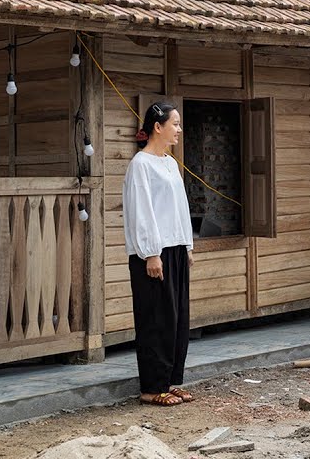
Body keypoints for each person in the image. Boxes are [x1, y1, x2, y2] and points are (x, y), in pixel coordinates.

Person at [123, 101, 196, 406]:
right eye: (174, 124)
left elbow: (179, 207)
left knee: (177, 318)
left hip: (175, 248)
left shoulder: (169, 163)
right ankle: (152, 388)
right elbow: (141, 211)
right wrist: (151, 253)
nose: (179, 129)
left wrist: (187, 245)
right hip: (153, 253)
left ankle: (170, 380)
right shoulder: (140, 164)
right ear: (157, 126)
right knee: (156, 318)